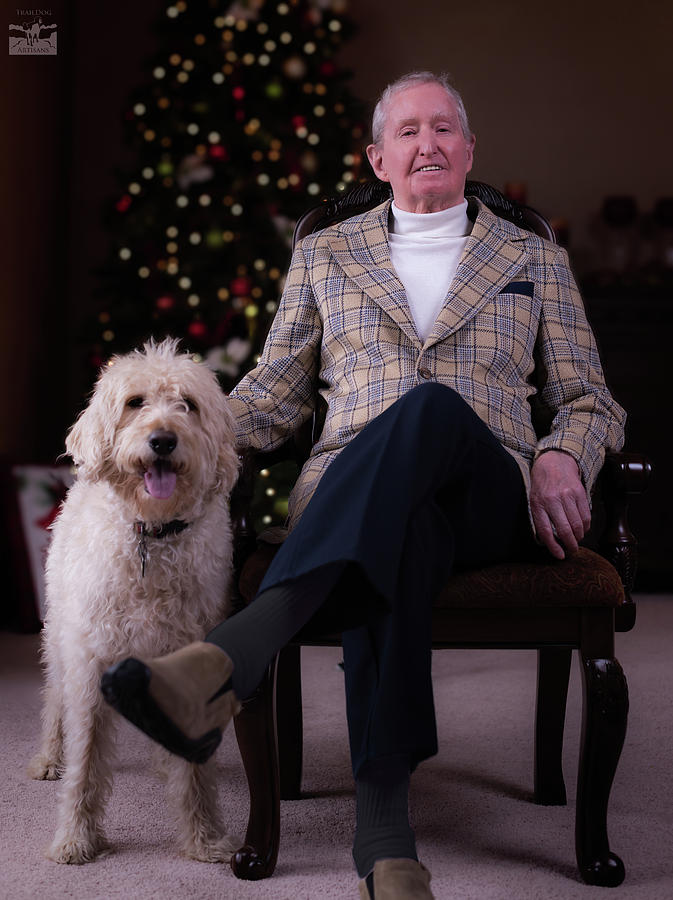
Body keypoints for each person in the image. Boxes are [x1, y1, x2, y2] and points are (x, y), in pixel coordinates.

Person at [101, 71, 626, 899]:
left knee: (429, 409)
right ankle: (387, 850)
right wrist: (173, 432)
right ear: (378, 158)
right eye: (408, 131)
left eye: (443, 128)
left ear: (467, 149)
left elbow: (588, 398)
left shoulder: (532, 257)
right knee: (400, 535)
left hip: (492, 491)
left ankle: (235, 654)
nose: (428, 143)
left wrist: (565, 452)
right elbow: (274, 387)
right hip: (358, 490)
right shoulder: (323, 254)